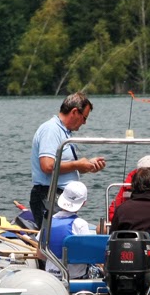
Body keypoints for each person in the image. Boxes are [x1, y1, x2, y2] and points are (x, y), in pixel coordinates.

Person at [29, 92, 106, 229]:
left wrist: (87, 166)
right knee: (55, 236)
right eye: (84, 118)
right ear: (74, 112)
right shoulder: (51, 129)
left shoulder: (64, 132)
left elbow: (64, 166)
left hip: (63, 198)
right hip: (48, 196)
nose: (84, 122)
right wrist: (77, 164)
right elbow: (47, 166)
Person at [44, 181, 95, 280]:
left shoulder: (48, 221)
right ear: (83, 203)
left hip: (51, 276)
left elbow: (40, 254)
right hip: (75, 276)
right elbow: (88, 255)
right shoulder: (80, 224)